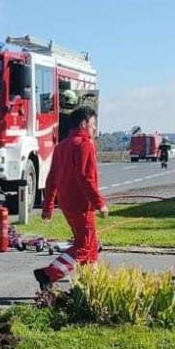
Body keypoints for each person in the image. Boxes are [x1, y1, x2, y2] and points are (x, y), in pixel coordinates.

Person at [35, 105, 107, 291]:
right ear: (83, 124)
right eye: (93, 125)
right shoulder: (84, 144)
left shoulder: (61, 146)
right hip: (82, 205)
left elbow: (51, 178)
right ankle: (49, 273)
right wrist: (100, 204)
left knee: (90, 244)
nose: (94, 129)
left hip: (67, 204)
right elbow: (86, 178)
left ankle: (91, 283)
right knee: (83, 246)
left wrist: (48, 207)